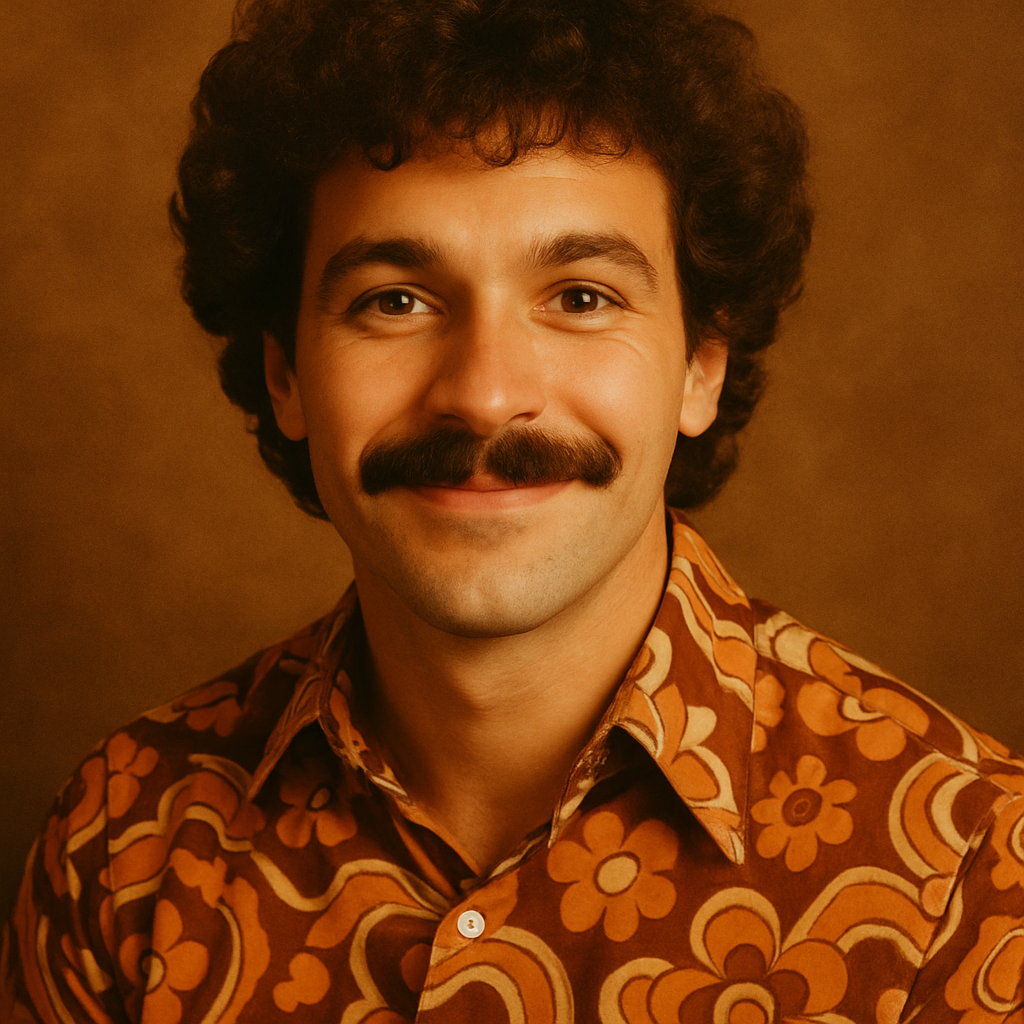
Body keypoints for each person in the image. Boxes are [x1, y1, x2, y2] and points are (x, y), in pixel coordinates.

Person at [3, 0, 1023, 1020]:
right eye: (394, 300)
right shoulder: (123, 842)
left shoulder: (966, 867)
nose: (485, 393)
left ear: (700, 368)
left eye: (580, 296)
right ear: (286, 376)